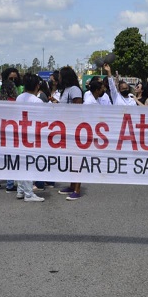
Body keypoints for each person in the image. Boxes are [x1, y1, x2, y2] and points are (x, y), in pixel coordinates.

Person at [14, 73, 46, 202]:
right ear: (37, 86)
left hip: (20, 132)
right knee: (29, 163)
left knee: (22, 163)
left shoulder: (19, 97)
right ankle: (28, 194)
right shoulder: (37, 101)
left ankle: (21, 190)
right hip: (31, 134)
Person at [57, 66, 83, 200]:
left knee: (76, 158)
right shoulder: (66, 90)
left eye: (60, 76)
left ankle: (77, 189)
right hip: (65, 128)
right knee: (70, 159)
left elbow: (77, 109)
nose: (58, 78)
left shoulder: (74, 90)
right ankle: (72, 185)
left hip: (73, 129)